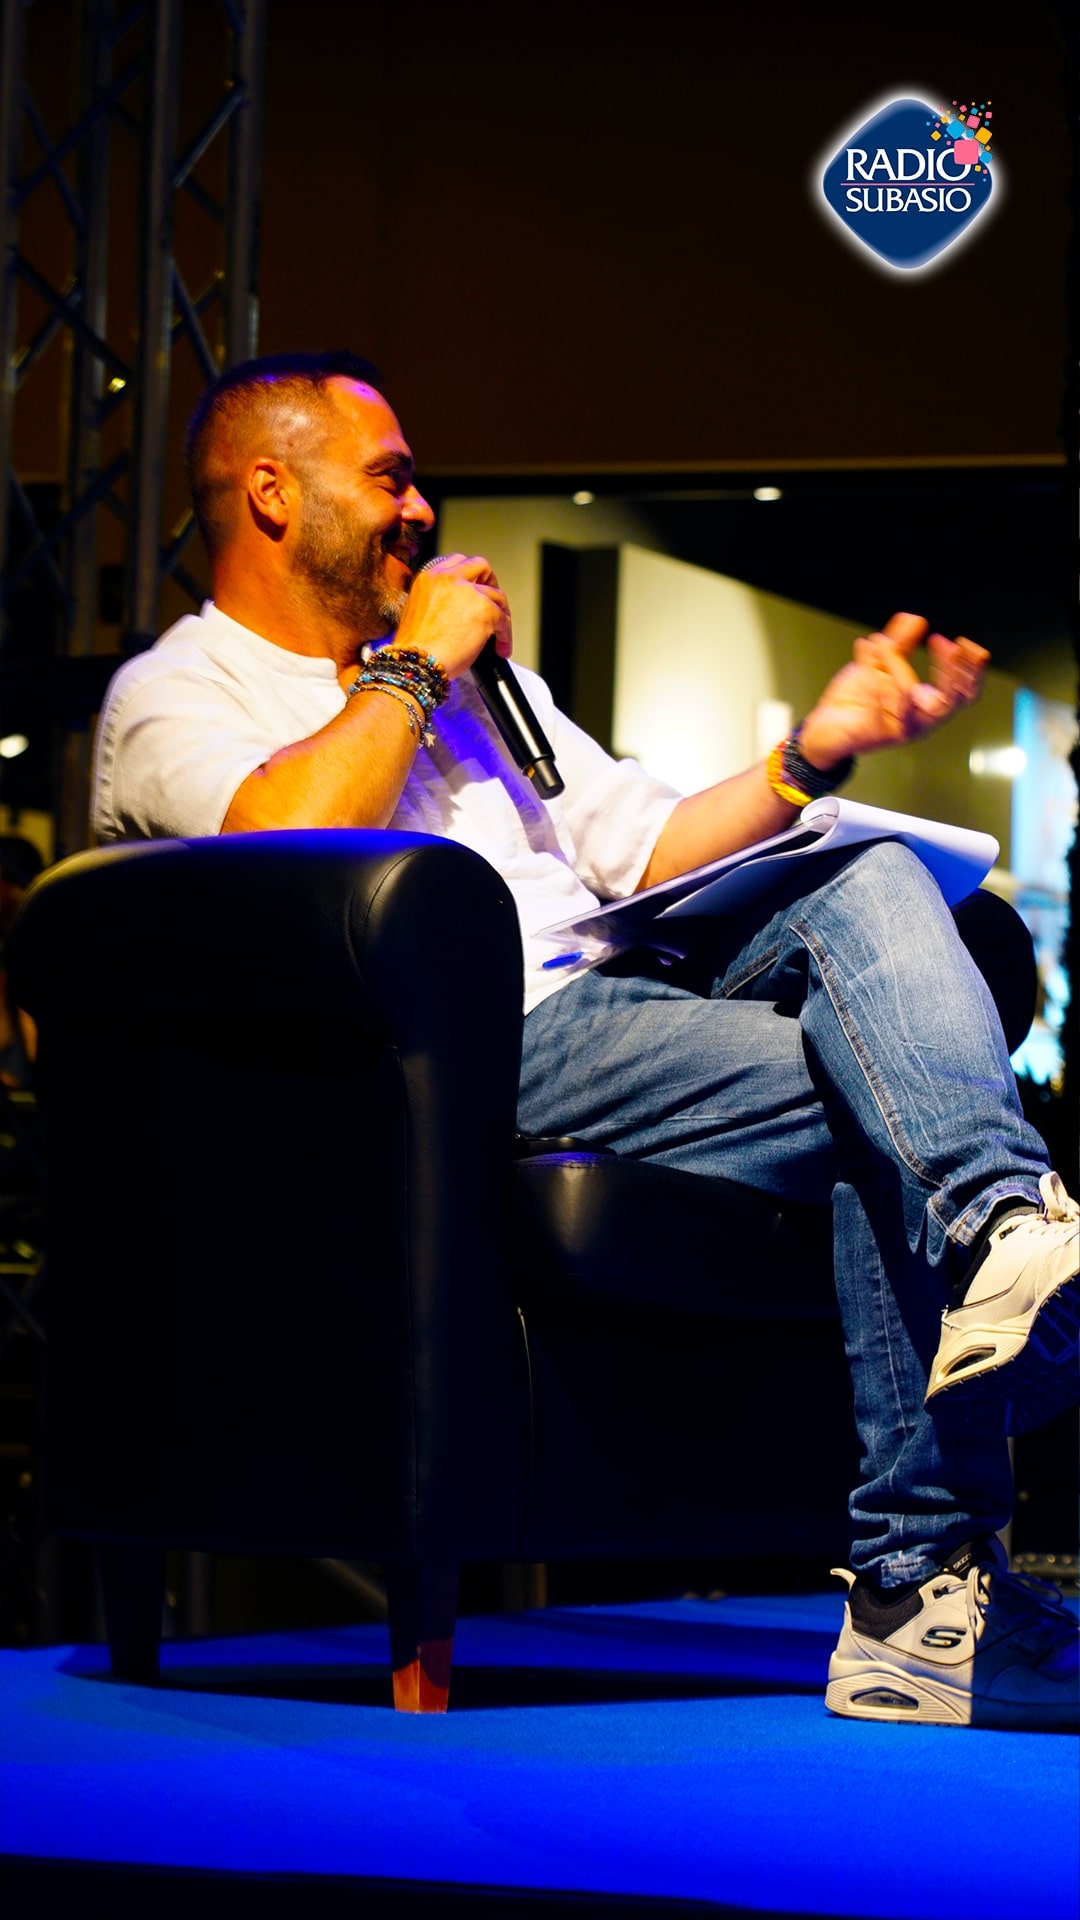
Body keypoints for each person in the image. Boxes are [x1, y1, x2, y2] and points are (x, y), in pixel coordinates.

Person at [92, 351, 1079, 1730]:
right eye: (388, 479)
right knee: (888, 1093)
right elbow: (282, 846)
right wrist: (413, 667)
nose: (421, 509)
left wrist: (811, 756)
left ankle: (1002, 1227)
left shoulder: (487, 691)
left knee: (870, 873)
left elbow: (645, 843)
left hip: (630, 991)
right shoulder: (176, 690)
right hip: (470, 1048)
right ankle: (919, 1586)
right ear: (271, 493)